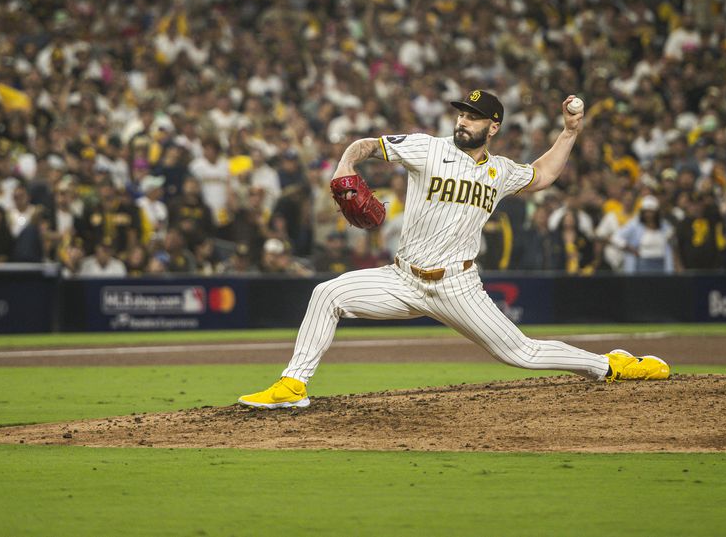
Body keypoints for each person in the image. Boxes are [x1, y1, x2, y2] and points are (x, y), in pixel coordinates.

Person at [239, 91, 670, 409]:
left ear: (493, 127)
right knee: (326, 294)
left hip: (459, 286)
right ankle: (293, 386)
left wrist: (569, 133)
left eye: (475, 117)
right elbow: (368, 145)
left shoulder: (499, 172)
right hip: (403, 279)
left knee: (521, 352)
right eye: (462, 112)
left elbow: (540, 175)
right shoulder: (428, 148)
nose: (464, 120)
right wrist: (346, 164)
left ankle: (611, 366)